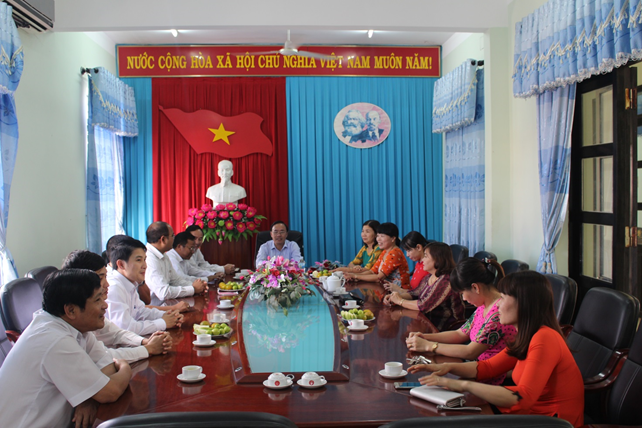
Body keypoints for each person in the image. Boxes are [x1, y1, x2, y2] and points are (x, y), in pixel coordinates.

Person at [408, 271, 584, 427]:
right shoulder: (526, 335)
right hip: (530, 415)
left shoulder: (544, 338)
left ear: (524, 303)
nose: (498, 305)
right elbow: (488, 367)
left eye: (504, 298)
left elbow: (523, 398)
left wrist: (460, 384)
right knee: (451, 415)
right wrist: (446, 367)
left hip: (551, 421)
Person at [0, 269, 132, 428]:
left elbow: (107, 369)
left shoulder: (77, 328)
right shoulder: (54, 339)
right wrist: (124, 366)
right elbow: (111, 392)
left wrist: (90, 396)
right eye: (98, 300)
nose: (105, 305)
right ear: (71, 310)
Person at [405, 257, 517, 384]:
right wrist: (425, 337)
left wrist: (428, 346)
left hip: (492, 378)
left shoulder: (498, 313)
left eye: (462, 293)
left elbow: (470, 352)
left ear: (475, 287)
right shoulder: (483, 305)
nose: (463, 298)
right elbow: (460, 333)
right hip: (476, 369)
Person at [62, 250, 172, 363]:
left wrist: (145, 342)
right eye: (100, 278)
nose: (107, 284)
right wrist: (149, 348)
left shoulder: (88, 309)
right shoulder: (61, 334)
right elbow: (102, 356)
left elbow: (116, 333)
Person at [106, 238, 183, 335]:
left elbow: (140, 312)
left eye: (144, 260)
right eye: (138, 260)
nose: (145, 266)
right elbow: (126, 328)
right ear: (121, 264)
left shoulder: (129, 282)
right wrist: (163, 322)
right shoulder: (114, 287)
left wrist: (168, 316)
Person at [385, 242, 464, 329]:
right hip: (426, 322)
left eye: (426, 256)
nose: (422, 260)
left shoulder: (445, 281)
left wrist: (400, 301)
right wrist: (394, 297)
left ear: (437, 259)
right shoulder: (430, 276)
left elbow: (423, 306)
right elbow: (414, 293)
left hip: (445, 327)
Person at [145, 221, 208, 300]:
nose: (174, 238)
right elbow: (163, 292)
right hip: (158, 306)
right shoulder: (149, 258)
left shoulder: (163, 255)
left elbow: (176, 280)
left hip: (168, 303)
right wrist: (193, 289)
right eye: (172, 235)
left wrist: (196, 286)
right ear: (163, 239)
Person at [345, 222, 409, 287]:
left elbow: (379, 278)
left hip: (399, 291)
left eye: (382, 236)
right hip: (386, 288)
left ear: (393, 238)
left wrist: (356, 276)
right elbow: (372, 271)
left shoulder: (395, 253)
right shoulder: (385, 251)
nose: (378, 239)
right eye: (378, 236)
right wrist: (354, 276)